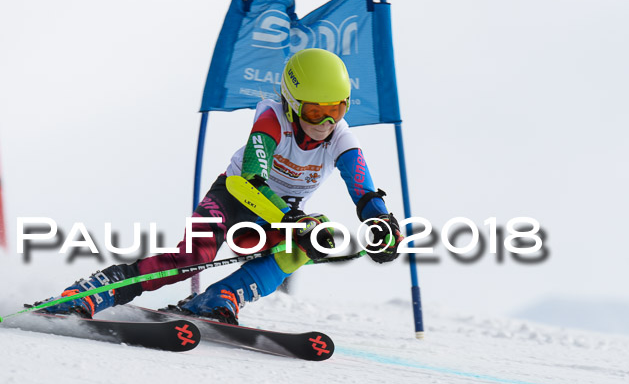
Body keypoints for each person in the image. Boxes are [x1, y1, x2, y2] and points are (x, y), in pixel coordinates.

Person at [36, 48, 403, 325]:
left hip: (274, 218)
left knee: (305, 246)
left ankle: (220, 297)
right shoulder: (272, 116)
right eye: (313, 112)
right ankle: (93, 292)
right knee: (191, 258)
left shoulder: (341, 138)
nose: (325, 122)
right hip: (233, 198)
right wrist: (295, 221)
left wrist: (382, 225)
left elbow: (364, 191)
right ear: (292, 103)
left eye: (336, 110)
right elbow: (253, 180)